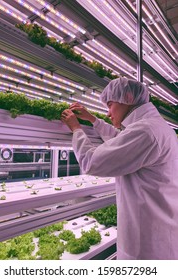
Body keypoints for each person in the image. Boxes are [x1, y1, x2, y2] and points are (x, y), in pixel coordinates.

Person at [61, 77, 178, 260]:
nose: (108, 113)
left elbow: (92, 162)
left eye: (110, 105)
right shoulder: (156, 127)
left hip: (147, 248)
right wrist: (93, 120)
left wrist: (76, 129)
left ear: (129, 97)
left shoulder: (145, 131)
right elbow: (121, 141)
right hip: (160, 234)